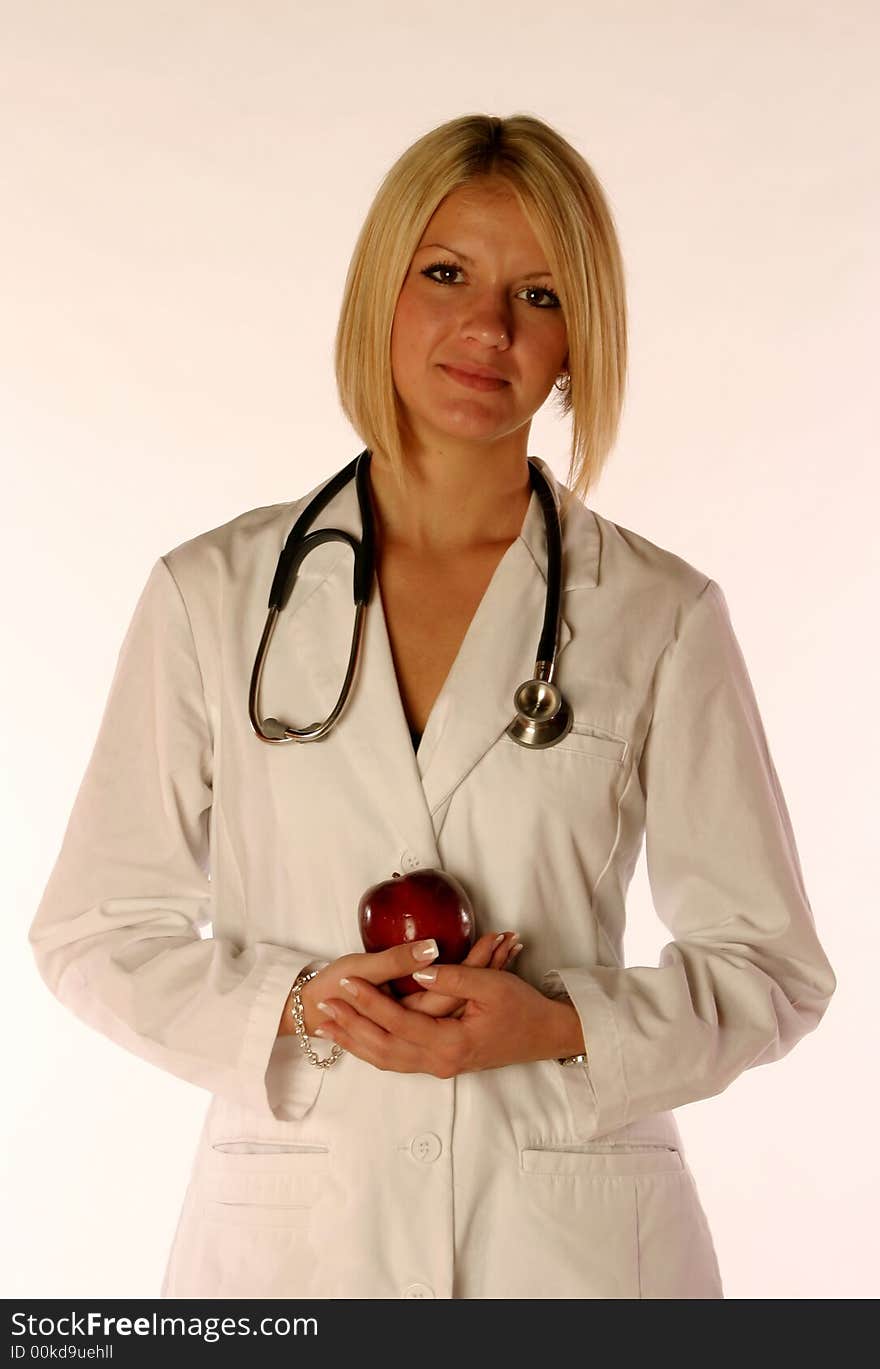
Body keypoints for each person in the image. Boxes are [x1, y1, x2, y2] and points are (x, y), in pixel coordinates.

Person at [27, 112, 837, 1301]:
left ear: (579, 340)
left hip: (568, 1248)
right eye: (446, 273)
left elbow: (771, 969)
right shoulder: (212, 597)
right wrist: (295, 1006)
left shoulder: (659, 614)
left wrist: (556, 1027)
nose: (487, 329)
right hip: (296, 1244)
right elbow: (91, 934)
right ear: (381, 293)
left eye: (540, 294)